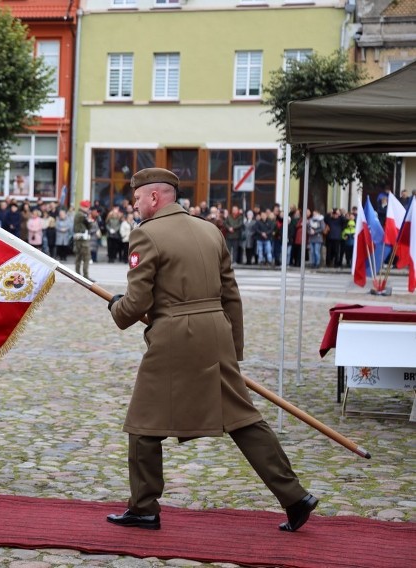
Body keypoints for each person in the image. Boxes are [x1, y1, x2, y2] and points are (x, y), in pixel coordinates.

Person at [106, 167, 317, 533]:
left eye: (138, 197)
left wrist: (116, 307)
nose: (135, 204)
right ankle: (295, 496)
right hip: (216, 331)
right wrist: (232, 348)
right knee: (243, 418)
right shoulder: (210, 230)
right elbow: (231, 294)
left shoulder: (146, 234)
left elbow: (136, 302)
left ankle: (143, 507)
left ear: (155, 197)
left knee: (142, 422)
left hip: (175, 335)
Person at [73, 200, 91, 279]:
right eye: (86, 207)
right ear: (82, 207)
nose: (87, 209)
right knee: (86, 258)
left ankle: (77, 274)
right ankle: (85, 276)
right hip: (83, 240)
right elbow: (89, 225)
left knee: (78, 257)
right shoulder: (82, 215)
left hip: (78, 239)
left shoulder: (78, 214)